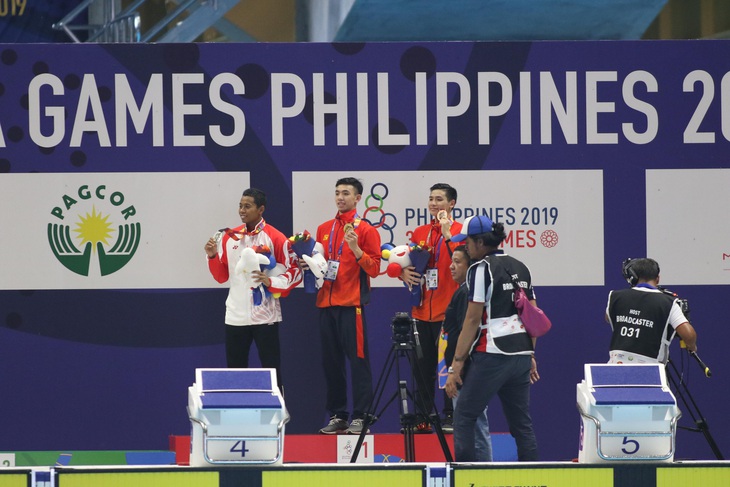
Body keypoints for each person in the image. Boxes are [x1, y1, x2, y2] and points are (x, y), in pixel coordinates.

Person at [445, 215, 540, 462]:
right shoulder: (521, 266)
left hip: (492, 353)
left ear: (479, 242)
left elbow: (472, 319)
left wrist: (456, 366)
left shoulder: (480, 269)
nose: (465, 246)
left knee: (464, 416)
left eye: (467, 241)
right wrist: (530, 353)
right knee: (522, 426)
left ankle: (465, 480)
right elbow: (533, 316)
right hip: (520, 354)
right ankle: (535, 478)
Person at [204, 188, 302, 391]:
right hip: (235, 315)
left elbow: (296, 272)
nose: (242, 210)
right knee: (235, 372)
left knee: (272, 372)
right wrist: (213, 256)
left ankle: (278, 420)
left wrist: (270, 282)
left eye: (247, 206)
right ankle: (237, 416)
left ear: (261, 209)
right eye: (240, 205)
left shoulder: (275, 237)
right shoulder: (230, 237)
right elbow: (222, 276)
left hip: (265, 316)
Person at [305, 177, 382, 435]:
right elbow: (321, 263)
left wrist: (356, 250)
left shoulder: (366, 230)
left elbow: (375, 268)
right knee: (331, 363)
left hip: (352, 306)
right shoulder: (324, 228)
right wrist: (309, 263)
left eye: (346, 193)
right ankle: (338, 415)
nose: (340, 197)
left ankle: (362, 416)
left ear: (358, 198)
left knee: (358, 362)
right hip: (325, 304)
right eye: (337, 192)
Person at [401, 183, 462, 433]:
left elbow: (463, 263)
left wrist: (448, 236)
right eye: (431, 199)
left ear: (451, 204)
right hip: (421, 311)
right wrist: (402, 271)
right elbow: (403, 261)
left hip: (449, 312)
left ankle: (451, 414)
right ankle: (424, 416)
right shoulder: (420, 232)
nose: (433, 204)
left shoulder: (460, 231)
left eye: (439, 199)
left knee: (448, 366)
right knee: (422, 366)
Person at [443, 245, 493, 460]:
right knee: (470, 422)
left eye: (457, 262)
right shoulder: (463, 290)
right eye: (451, 261)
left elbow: (468, 332)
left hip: (467, 371)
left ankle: (483, 474)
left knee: (475, 423)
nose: (451, 266)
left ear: (470, 265)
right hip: (464, 370)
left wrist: (457, 369)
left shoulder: (466, 292)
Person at [605, 258, 697, 364]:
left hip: (615, 367)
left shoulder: (615, 296)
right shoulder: (668, 302)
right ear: (658, 278)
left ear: (634, 278)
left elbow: (608, 317)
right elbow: (689, 335)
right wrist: (692, 346)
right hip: (651, 372)